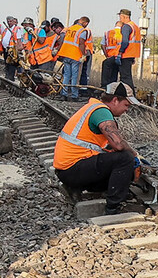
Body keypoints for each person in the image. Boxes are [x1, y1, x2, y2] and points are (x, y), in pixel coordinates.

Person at [53, 82, 145, 215]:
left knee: (123, 168)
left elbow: (100, 146)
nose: (127, 110)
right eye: (126, 105)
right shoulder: (101, 111)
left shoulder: (92, 107)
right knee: (126, 159)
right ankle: (113, 208)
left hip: (67, 170)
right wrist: (135, 155)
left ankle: (75, 188)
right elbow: (118, 144)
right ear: (115, 100)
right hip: (72, 170)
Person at [57, 16, 91, 102]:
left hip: (66, 54)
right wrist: (83, 54)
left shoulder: (69, 28)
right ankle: (74, 96)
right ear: (85, 23)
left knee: (66, 75)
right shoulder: (82, 30)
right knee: (75, 76)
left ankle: (63, 95)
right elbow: (81, 43)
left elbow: (63, 40)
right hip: (75, 55)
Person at [115, 9, 141, 86]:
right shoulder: (134, 26)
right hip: (131, 54)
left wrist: (120, 53)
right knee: (127, 77)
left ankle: (129, 96)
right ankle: (129, 95)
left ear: (124, 16)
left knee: (125, 78)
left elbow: (125, 42)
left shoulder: (126, 27)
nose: (120, 19)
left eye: (120, 17)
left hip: (125, 54)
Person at [1, 16, 25, 81]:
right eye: (8, 21)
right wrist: (1, 49)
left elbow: (19, 41)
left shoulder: (17, 29)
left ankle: (19, 78)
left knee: (15, 64)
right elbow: (2, 39)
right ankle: (9, 77)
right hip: (7, 49)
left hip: (13, 50)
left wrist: (17, 51)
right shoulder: (6, 29)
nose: (9, 23)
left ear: (14, 21)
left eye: (10, 21)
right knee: (8, 64)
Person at [100, 23, 122, 87]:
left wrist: (106, 55)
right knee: (115, 73)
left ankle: (104, 86)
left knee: (107, 72)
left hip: (110, 57)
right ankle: (113, 87)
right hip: (119, 57)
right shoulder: (122, 33)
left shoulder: (108, 33)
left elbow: (102, 45)